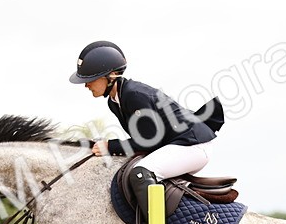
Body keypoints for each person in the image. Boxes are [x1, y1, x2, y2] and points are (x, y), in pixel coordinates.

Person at [69, 40, 223, 213]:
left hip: (193, 145)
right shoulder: (115, 101)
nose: (86, 85)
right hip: (179, 144)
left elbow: (148, 141)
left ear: (111, 76)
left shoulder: (133, 95)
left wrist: (110, 146)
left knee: (140, 172)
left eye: (91, 79)